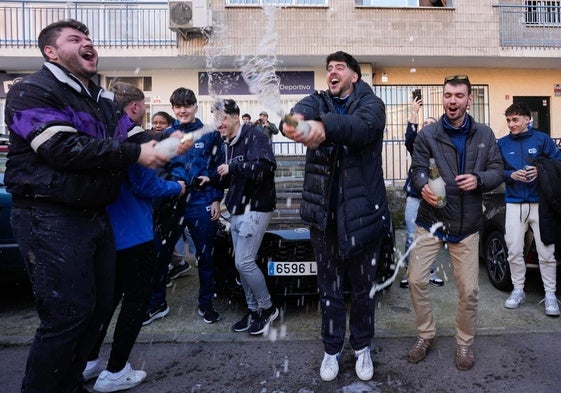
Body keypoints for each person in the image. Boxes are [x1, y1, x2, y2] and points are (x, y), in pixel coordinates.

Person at [4, 19, 189, 393]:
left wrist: (165, 143)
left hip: (94, 216)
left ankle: (71, 385)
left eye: (89, 38)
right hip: (49, 215)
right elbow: (60, 147)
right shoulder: (30, 90)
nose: (88, 43)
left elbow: (133, 134)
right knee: (66, 318)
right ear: (51, 52)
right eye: (75, 39)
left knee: (95, 311)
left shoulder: (100, 98)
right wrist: (138, 152)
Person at [281, 51, 390, 382]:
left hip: (363, 218)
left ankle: (361, 346)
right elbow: (294, 119)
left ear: (354, 76)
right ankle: (331, 350)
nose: (332, 72)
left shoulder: (372, 105)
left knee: (362, 290)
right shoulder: (316, 101)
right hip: (323, 218)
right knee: (328, 288)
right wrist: (295, 126)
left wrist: (324, 126)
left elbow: (362, 129)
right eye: (328, 68)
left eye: (339, 68)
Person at [83, 82, 187, 392]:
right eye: (144, 108)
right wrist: (176, 187)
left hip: (107, 233)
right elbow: (146, 186)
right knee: (136, 302)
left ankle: (88, 361)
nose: (147, 114)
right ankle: (116, 371)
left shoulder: (102, 135)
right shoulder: (132, 140)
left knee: (107, 300)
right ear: (134, 108)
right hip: (135, 235)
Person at [406, 75, 503, 371]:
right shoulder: (428, 135)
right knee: (416, 280)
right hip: (432, 221)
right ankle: (426, 334)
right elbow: (418, 168)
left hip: (468, 224)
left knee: (469, 290)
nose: (452, 101)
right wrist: (422, 183)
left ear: (469, 100)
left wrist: (479, 179)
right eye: (448, 95)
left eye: (459, 96)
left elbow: (498, 170)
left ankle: (463, 342)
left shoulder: (485, 134)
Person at [144, 87, 224, 326]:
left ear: (195, 107)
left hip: (201, 202)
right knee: (160, 256)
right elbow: (158, 167)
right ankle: (158, 303)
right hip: (170, 203)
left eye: (187, 106)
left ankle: (206, 304)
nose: (182, 110)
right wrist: (171, 184)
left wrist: (216, 198)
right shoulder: (165, 134)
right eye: (178, 107)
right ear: (173, 109)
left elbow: (219, 165)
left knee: (206, 258)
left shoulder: (209, 133)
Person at [202, 98, 279, 336]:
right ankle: (253, 309)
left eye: (223, 118)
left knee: (244, 262)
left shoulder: (255, 136)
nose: (219, 124)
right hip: (238, 208)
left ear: (236, 117)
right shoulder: (229, 143)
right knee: (241, 263)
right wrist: (211, 180)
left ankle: (267, 308)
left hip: (256, 207)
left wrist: (233, 168)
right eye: (216, 119)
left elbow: (265, 167)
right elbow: (229, 177)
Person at [497, 102, 561, 316]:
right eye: (508, 120)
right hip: (514, 202)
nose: (511, 124)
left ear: (527, 119)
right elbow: (496, 170)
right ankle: (518, 290)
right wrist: (510, 175)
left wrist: (539, 170)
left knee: (546, 252)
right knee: (514, 250)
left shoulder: (542, 139)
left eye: (515, 120)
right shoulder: (503, 143)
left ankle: (550, 295)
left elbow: (558, 163)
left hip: (540, 203)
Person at [400, 97, 444, 288]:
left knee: (432, 236)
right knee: (411, 235)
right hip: (415, 198)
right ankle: (410, 272)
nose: (427, 126)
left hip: (436, 198)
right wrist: (414, 113)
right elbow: (409, 137)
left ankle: (430, 271)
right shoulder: (417, 145)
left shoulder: (443, 147)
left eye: (431, 124)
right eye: (424, 124)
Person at [150, 112, 195, 285]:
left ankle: (174, 266)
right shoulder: (151, 142)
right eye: (155, 122)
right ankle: (174, 265)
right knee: (163, 243)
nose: (157, 125)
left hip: (177, 196)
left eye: (162, 122)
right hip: (164, 197)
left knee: (167, 241)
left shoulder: (178, 141)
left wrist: (175, 184)